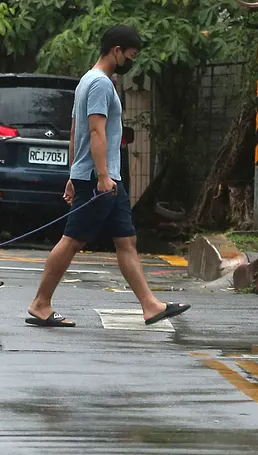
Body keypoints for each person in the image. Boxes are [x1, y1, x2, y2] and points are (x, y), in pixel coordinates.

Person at [26, 24, 190, 328]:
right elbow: (95, 129)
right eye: (130, 55)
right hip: (101, 179)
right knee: (72, 240)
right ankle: (40, 303)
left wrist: (74, 173)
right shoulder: (101, 84)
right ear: (116, 51)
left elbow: (75, 131)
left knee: (126, 241)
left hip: (102, 176)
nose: (131, 60)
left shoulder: (86, 81)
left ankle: (150, 306)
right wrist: (98, 176)